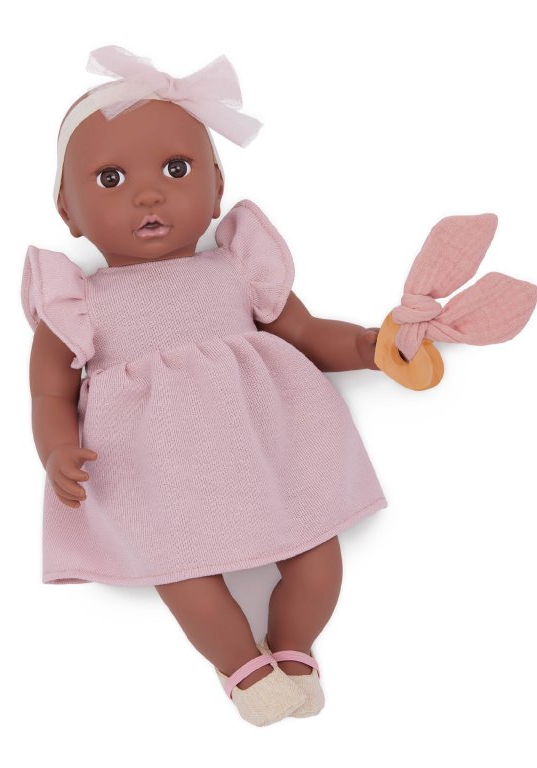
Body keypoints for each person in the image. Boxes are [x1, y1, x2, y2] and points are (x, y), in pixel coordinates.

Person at [22, 46, 390, 726]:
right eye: (110, 178)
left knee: (319, 558)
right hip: (158, 475)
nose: (148, 194)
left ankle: (294, 646)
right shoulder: (77, 302)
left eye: (176, 168)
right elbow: (48, 394)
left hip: (270, 450)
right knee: (185, 577)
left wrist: (370, 347)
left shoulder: (238, 268)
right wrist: (56, 450)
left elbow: (305, 332)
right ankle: (244, 668)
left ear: (217, 187)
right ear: (67, 210)